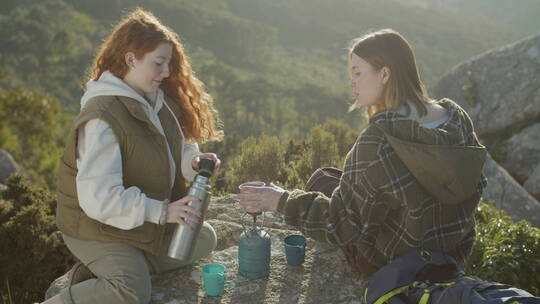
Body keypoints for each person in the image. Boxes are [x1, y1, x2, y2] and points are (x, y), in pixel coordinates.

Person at [237, 29, 487, 279]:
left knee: (321, 181)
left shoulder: (377, 142)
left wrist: (280, 200)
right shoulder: (456, 119)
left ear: (385, 74)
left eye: (357, 73)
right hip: (451, 259)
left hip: (398, 268)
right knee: (334, 180)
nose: (351, 82)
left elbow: (340, 227)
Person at [43, 8, 223, 304]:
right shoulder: (102, 119)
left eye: (168, 63)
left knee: (204, 239)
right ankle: (62, 299)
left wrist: (192, 164)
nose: (166, 72)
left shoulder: (157, 102)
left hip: (136, 219)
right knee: (132, 292)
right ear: (130, 59)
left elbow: (176, 149)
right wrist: (163, 213)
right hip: (96, 226)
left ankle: (111, 269)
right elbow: (99, 200)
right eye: (159, 63)